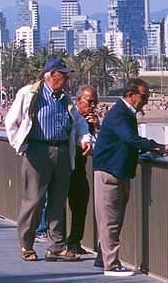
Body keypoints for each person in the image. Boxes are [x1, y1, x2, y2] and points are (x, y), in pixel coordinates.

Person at [3, 56, 92, 262]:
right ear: (52, 75)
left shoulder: (66, 99)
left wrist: (85, 138)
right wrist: (21, 145)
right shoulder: (29, 94)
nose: (68, 80)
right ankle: (26, 244)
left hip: (61, 151)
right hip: (38, 151)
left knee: (58, 201)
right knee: (33, 201)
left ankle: (56, 247)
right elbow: (11, 121)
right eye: (64, 75)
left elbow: (79, 123)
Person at [91, 79, 168, 277]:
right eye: (144, 97)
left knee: (113, 218)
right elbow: (130, 139)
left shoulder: (124, 113)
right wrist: (159, 147)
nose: (146, 101)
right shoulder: (120, 114)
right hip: (109, 172)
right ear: (131, 95)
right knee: (110, 219)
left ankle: (102, 258)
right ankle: (111, 265)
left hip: (118, 171)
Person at [66, 85, 100, 257]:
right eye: (89, 101)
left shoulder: (91, 120)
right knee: (59, 207)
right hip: (65, 168)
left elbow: (99, 145)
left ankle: (74, 241)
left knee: (80, 205)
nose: (92, 105)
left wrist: (97, 127)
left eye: (95, 102)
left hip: (79, 170)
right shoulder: (70, 115)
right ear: (78, 100)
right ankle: (59, 242)